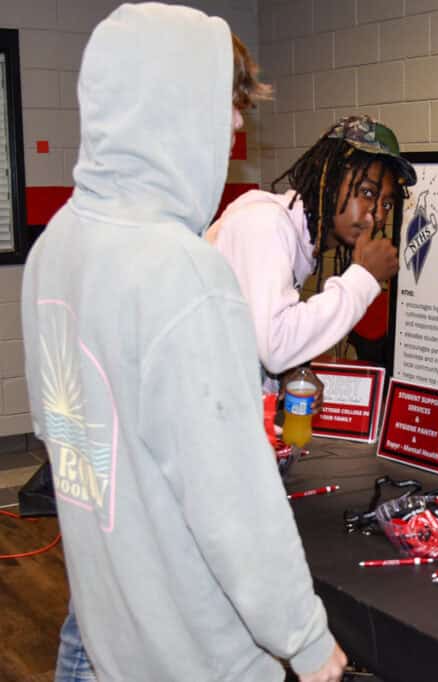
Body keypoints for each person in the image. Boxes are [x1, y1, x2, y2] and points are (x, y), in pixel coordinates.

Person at [21, 5, 347, 681]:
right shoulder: (183, 271)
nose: (235, 124)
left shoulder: (55, 245)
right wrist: (308, 640)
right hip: (196, 660)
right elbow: (232, 497)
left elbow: (61, 435)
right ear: (170, 100)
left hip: (110, 637)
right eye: (226, 102)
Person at [205, 115, 412, 378]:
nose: (378, 215)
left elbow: (253, 339)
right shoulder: (265, 223)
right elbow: (276, 348)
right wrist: (363, 277)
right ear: (329, 179)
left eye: (386, 204)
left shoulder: (299, 240)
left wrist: (289, 374)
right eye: (367, 193)